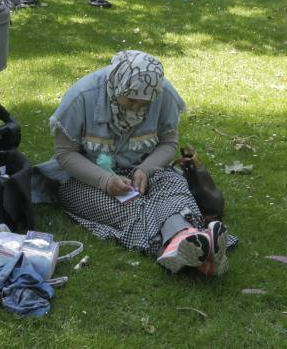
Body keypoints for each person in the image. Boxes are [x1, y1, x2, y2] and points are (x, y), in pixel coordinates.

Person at [41, 50, 234, 276]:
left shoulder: (164, 94)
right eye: (131, 100)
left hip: (146, 167)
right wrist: (105, 180)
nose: (137, 109)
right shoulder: (82, 96)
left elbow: (168, 143)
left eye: (144, 103)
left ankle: (183, 243)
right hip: (85, 178)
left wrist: (146, 169)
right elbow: (65, 153)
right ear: (117, 85)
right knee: (128, 207)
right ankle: (191, 242)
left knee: (173, 189)